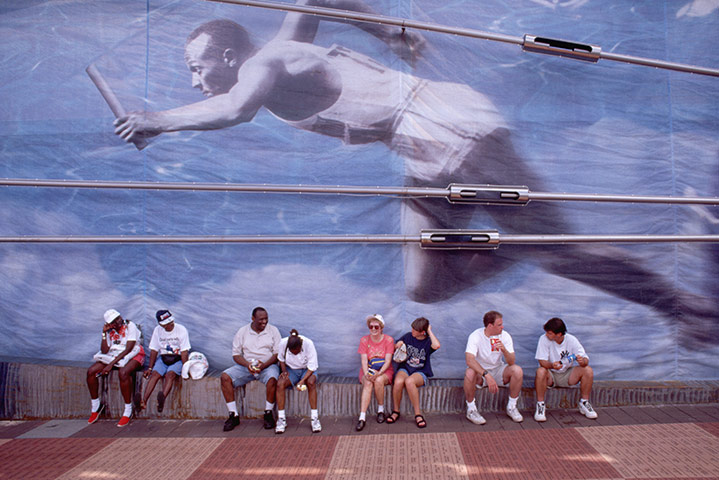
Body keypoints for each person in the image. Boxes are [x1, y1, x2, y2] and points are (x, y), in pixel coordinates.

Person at [113, 0, 716, 341]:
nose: (195, 81)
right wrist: (386, 32)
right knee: (426, 283)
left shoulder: (260, 70)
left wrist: (156, 119)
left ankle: (684, 306)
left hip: (456, 131)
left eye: (197, 68)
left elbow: (234, 110)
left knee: (560, 252)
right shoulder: (283, 49)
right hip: (423, 153)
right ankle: (519, 246)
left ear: (226, 55)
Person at [220, 306, 281, 432]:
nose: (264, 322)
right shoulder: (242, 332)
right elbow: (236, 355)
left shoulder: (273, 331)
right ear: (253, 318)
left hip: (267, 366)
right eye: (261, 319)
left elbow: (277, 354)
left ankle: (268, 413)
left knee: (272, 379)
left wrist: (263, 365)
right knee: (225, 377)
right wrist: (248, 365)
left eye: (266, 319)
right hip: (246, 367)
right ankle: (233, 415)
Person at [86, 308, 145, 427]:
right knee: (91, 371)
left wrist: (110, 365)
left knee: (123, 373)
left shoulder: (130, 325)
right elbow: (104, 350)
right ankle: (96, 406)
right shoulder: (110, 331)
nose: (118, 321)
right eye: (114, 321)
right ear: (109, 324)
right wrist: (104, 333)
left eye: (118, 318)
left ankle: (128, 410)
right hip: (114, 356)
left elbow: (129, 348)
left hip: (134, 353)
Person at [464, 310, 524, 425]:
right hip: (481, 373)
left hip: (498, 369)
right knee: (470, 372)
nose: (502, 327)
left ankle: (511, 407)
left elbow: (512, 362)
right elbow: (469, 360)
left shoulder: (504, 336)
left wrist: (504, 350)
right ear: (490, 326)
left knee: (517, 370)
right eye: (499, 325)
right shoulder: (476, 335)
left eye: (502, 324)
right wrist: (486, 375)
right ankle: (471, 410)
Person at [534, 317, 597, 421]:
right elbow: (542, 362)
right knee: (540, 371)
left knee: (587, 370)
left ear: (558, 334)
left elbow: (585, 359)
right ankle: (540, 405)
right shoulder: (543, 339)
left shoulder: (572, 340)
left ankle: (584, 403)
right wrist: (552, 365)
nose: (546, 335)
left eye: (549, 333)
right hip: (551, 375)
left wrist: (582, 361)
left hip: (567, 375)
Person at [386, 317, 440, 428]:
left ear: (422, 332)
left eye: (415, 330)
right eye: (412, 328)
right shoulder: (408, 336)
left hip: (421, 371)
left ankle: (418, 414)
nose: (412, 331)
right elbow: (396, 345)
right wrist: (399, 344)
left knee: (410, 382)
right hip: (405, 368)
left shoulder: (428, 341)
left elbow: (436, 345)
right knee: (398, 381)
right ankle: (396, 411)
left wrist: (429, 330)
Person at [139, 309, 191, 414]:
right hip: (163, 358)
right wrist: (150, 367)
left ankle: (161, 399)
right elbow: (154, 349)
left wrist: (185, 370)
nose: (170, 324)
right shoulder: (157, 330)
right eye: (167, 324)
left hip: (177, 358)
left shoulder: (181, 329)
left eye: (171, 322)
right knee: (154, 375)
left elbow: (184, 352)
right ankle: (143, 401)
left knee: (170, 375)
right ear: (161, 325)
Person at [275, 329, 322, 434]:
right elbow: (281, 359)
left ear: (301, 346)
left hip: (307, 370)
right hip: (291, 370)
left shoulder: (308, 344)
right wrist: (284, 371)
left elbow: (312, 366)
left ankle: (315, 418)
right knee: (280, 384)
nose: (295, 354)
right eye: (292, 352)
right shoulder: (283, 343)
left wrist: (302, 381)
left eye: (297, 351)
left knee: (311, 383)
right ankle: (281, 419)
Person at [356, 313, 394, 431]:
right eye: (371, 326)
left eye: (376, 327)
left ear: (381, 328)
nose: (373, 329)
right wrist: (367, 373)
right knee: (367, 383)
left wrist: (379, 373)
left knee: (378, 380)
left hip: (384, 370)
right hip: (368, 369)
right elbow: (363, 360)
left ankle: (380, 410)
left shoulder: (388, 340)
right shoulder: (364, 340)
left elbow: (388, 361)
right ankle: (362, 417)